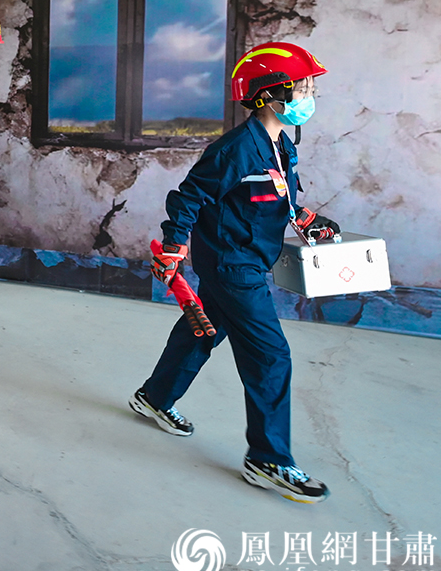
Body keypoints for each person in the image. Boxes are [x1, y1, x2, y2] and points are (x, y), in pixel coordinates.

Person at [129, 42, 340, 504]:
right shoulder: (236, 149)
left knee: (201, 332)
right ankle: (268, 458)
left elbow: (271, 197)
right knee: (271, 356)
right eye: (301, 88)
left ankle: (154, 397)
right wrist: (173, 246)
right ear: (269, 94)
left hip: (244, 257)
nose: (309, 96)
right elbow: (188, 198)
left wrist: (303, 218)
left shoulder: (281, 143)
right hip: (232, 265)